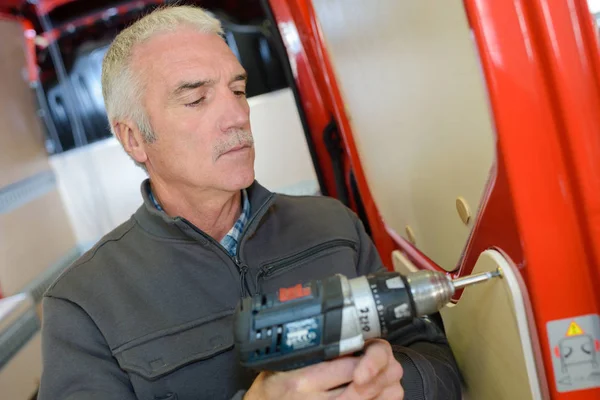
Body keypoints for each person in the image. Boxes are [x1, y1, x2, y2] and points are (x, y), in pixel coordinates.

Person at [38, 5, 461, 400]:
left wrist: (398, 381)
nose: (238, 115)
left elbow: (440, 363)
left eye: (238, 90)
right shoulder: (82, 305)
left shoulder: (333, 225)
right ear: (133, 138)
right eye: (196, 99)